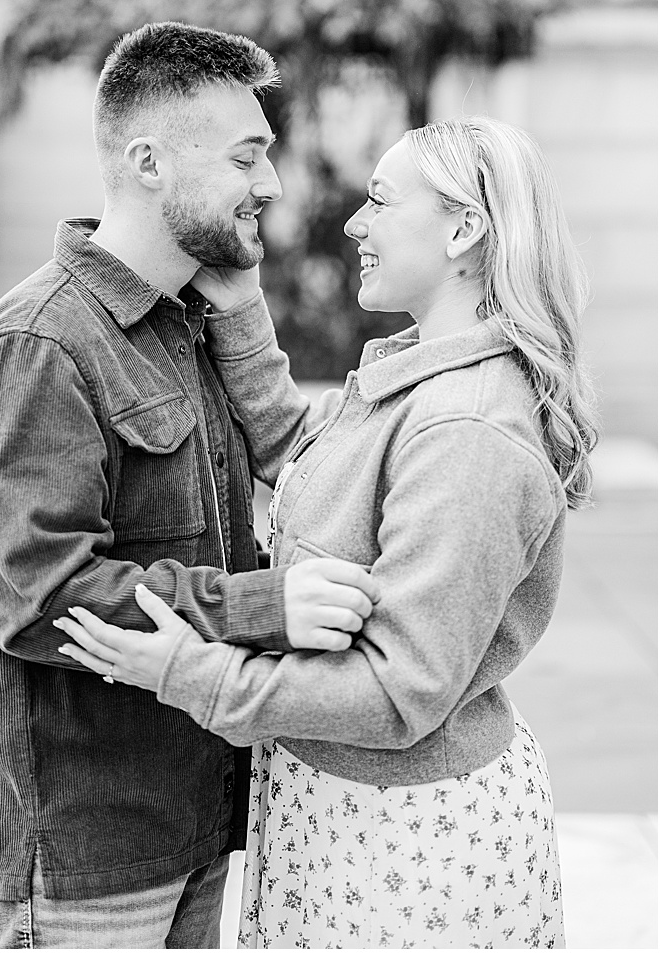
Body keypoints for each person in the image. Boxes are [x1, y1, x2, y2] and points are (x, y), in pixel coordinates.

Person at [57, 116, 595, 947]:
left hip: (409, 847)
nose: (354, 223)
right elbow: (313, 475)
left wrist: (191, 672)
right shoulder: (420, 371)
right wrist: (240, 314)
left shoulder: (468, 432)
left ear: (463, 229)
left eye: (380, 201)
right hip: (345, 814)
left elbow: (397, 692)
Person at [0, 22, 388, 949]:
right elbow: (45, 600)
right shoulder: (42, 345)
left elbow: (300, 469)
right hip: (81, 846)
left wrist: (246, 320)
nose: (272, 185)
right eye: (246, 157)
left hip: (192, 817)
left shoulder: (191, 322)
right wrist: (268, 608)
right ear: (148, 162)